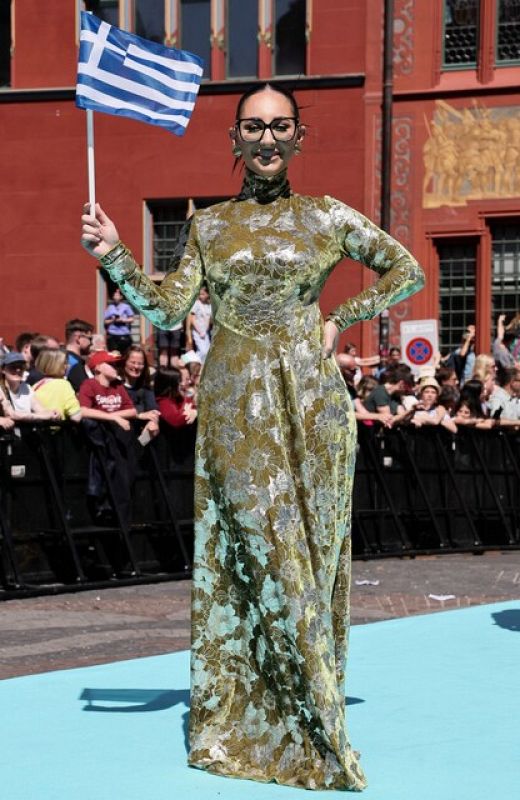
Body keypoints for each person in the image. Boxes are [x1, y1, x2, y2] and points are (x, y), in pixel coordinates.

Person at [81, 82, 424, 791]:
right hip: (236, 407)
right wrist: (116, 254)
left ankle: (303, 707)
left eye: (280, 127)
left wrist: (341, 318)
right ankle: (298, 725)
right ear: (235, 140)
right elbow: (167, 306)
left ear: (298, 137)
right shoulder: (208, 227)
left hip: (313, 407)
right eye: (253, 127)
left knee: (310, 553)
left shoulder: (326, 216)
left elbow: (408, 269)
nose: (266, 139)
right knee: (265, 553)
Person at [0, 352, 60, 422]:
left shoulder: (27, 387)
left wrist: (52, 413)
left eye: (21, 367)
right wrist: (42, 416)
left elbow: (40, 409)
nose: (18, 370)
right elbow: (11, 414)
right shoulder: (1, 389)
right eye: (13, 367)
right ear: (3, 370)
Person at [120, 345, 160, 439]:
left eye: (140, 363)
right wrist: (139, 416)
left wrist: (153, 422)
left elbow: (153, 409)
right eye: (132, 362)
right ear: (124, 362)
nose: (136, 366)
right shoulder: (116, 385)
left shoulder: (145, 386)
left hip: (141, 435)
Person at [33, 349, 82, 422]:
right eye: (65, 363)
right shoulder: (64, 384)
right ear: (56, 365)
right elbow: (76, 417)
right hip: (58, 429)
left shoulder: (36, 385)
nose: (68, 365)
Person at [186, 284, 212, 362]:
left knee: (207, 352)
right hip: (197, 331)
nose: (201, 296)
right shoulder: (197, 304)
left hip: (205, 332)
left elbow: (208, 319)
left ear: (207, 294)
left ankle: (200, 368)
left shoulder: (209, 305)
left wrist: (205, 330)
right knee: (202, 351)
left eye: (203, 294)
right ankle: (190, 362)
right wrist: (200, 331)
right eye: (200, 294)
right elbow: (192, 319)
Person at [104, 287, 134, 353]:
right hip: (112, 334)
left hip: (124, 334)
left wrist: (123, 320)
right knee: (114, 354)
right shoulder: (110, 307)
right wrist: (113, 320)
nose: (115, 296)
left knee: (125, 353)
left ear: (121, 297)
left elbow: (132, 319)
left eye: (117, 295)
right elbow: (105, 321)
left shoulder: (126, 307)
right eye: (114, 295)